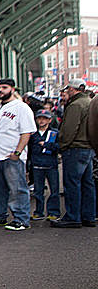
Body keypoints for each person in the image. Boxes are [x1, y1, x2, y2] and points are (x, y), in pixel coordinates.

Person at [0, 80, 35, 230]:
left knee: (17, 188)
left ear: (12, 89)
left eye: (4, 88)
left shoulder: (21, 107)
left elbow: (26, 132)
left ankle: (21, 218)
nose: (0, 90)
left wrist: (17, 152)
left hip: (10, 155)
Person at [52, 81, 95, 228]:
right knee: (87, 184)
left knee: (72, 184)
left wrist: (62, 146)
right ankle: (88, 216)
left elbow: (70, 129)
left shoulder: (76, 105)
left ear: (72, 89)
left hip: (75, 147)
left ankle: (72, 217)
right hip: (88, 147)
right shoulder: (89, 102)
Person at [28, 109, 60, 222]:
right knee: (38, 191)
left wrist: (47, 145)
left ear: (50, 120)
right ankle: (38, 211)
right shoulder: (32, 134)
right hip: (37, 165)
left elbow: (59, 146)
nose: (41, 121)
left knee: (54, 190)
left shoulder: (54, 133)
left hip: (51, 165)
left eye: (44, 118)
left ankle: (54, 212)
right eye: (39, 118)